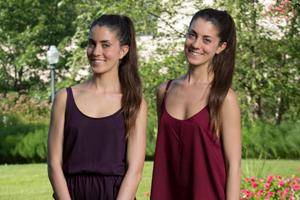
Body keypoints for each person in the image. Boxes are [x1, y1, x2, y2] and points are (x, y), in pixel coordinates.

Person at [47, 14, 147, 200]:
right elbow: (54, 163)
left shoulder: (134, 103)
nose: (96, 51)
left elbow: (135, 171)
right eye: (92, 43)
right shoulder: (65, 98)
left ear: (123, 51)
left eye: (105, 45)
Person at [151, 8, 241, 200]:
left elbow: (233, 165)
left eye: (206, 40)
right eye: (192, 35)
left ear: (221, 47)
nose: (196, 44)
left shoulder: (224, 98)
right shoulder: (164, 91)